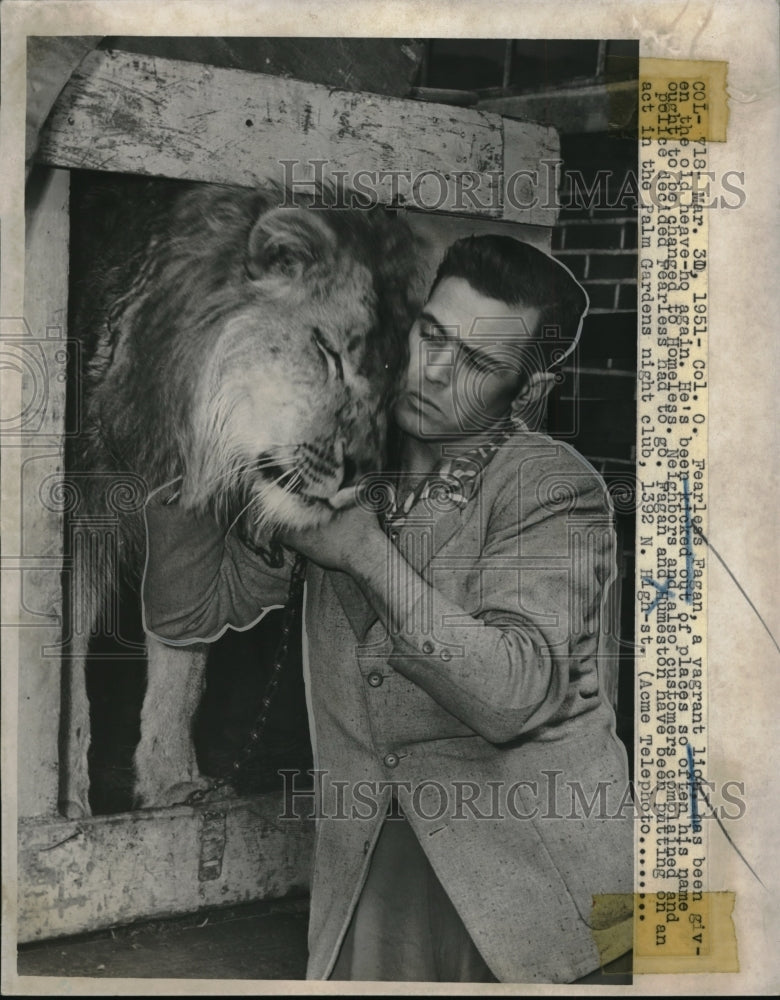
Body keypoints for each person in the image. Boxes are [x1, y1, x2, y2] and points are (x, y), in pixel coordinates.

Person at [142, 235, 633, 983]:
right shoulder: (345, 458)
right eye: (431, 334)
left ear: (528, 390)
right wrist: (209, 443)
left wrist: (367, 555)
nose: (433, 371)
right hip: (367, 874)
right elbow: (208, 601)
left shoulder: (550, 487)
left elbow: (512, 694)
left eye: (477, 363)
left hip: (529, 889)